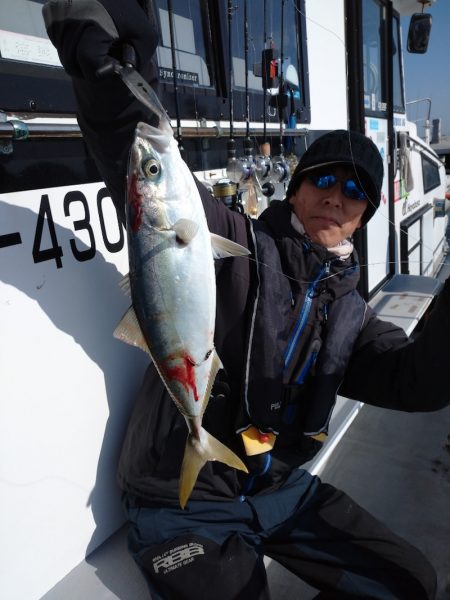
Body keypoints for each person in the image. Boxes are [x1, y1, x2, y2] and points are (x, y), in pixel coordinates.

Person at [43, 1, 450, 598]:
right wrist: (110, 69)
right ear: (300, 186)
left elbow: (418, 381)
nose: (337, 198)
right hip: (180, 499)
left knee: (410, 581)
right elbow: (130, 159)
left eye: (357, 191)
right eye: (326, 179)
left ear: (365, 216)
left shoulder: (350, 311)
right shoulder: (234, 241)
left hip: (275, 487)